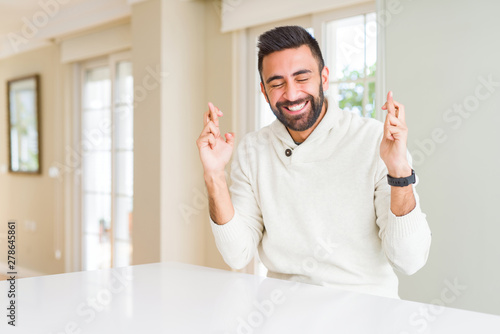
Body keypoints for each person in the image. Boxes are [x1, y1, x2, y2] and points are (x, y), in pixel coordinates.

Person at [196, 25, 431, 298]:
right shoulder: (253, 150)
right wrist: (214, 175)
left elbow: (410, 260)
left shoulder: (375, 142)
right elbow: (237, 255)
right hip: (281, 310)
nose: (292, 94)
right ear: (264, 91)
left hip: (366, 311)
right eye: (277, 83)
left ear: (324, 77)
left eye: (302, 78)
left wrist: (399, 170)